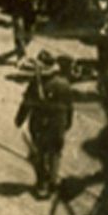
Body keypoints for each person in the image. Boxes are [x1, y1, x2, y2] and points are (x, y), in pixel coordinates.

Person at [15, 51, 75, 199]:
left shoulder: (36, 84)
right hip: (58, 126)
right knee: (55, 154)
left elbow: (26, 104)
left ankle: (42, 183)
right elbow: (70, 107)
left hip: (41, 126)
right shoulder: (64, 83)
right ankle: (53, 182)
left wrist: (19, 119)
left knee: (38, 155)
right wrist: (67, 123)